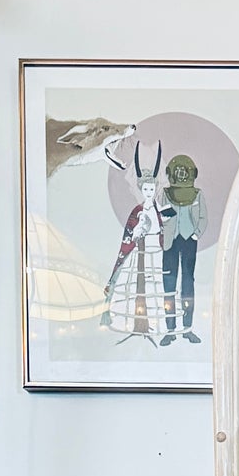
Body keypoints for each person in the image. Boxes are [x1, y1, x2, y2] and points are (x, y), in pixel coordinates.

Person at [100, 142, 167, 345]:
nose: (149, 191)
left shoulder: (158, 208)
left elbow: (162, 226)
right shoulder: (138, 211)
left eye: (151, 188)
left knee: (156, 284)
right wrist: (139, 231)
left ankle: (155, 323)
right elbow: (131, 233)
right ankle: (132, 322)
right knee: (136, 284)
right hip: (139, 251)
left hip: (155, 250)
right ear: (141, 188)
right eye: (145, 188)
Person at [159, 155, 208, 345]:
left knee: (188, 283)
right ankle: (170, 329)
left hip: (189, 241)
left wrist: (196, 233)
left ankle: (187, 328)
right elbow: (161, 214)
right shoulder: (165, 194)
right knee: (168, 284)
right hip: (170, 241)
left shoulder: (197, 194)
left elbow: (203, 217)